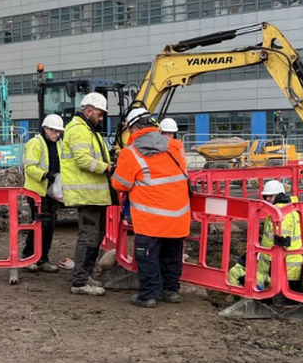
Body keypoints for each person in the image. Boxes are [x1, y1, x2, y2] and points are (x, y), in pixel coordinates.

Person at [112, 108, 191, 308]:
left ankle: (148, 295)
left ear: (134, 128)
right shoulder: (175, 146)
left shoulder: (129, 153)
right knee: (171, 255)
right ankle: (171, 291)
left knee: (147, 257)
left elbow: (120, 184)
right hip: (178, 215)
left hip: (150, 218)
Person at [62, 92, 113, 296]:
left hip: (95, 195)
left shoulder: (88, 130)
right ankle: (80, 281)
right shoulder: (78, 130)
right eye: (100, 114)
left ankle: (85, 274)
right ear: (89, 111)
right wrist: (107, 168)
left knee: (96, 236)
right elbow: (83, 160)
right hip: (86, 195)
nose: (101, 118)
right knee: (88, 238)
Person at [227, 180, 303, 294]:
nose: (267, 199)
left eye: (270, 196)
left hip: (283, 275)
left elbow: (281, 244)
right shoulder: (283, 210)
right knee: (241, 271)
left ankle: (239, 296)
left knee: (235, 273)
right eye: (266, 196)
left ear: (279, 195)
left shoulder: (282, 213)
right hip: (284, 272)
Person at [20, 114, 69, 274]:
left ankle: (42, 259)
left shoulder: (59, 144)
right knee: (39, 225)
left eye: (59, 132)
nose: (57, 134)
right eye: (54, 131)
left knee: (50, 225)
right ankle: (29, 257)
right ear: (46, 129)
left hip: (51, 191)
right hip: (37, 191)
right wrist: (47, 174)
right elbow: (29, 168)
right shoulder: (35, 143)